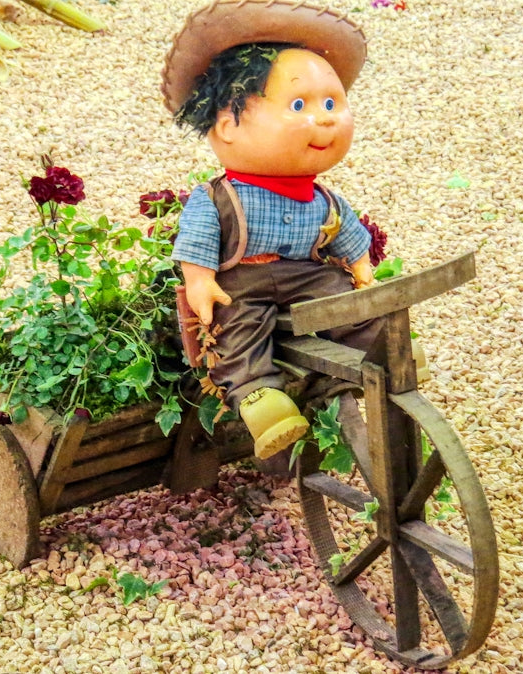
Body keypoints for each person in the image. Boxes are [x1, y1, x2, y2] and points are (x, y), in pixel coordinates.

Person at [161, 0, 381, 460]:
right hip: (242, 281)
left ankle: (375, 351)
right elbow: (197, 243)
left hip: (306, 274)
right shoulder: (219, 197)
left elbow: (346, 234)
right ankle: (260, 397)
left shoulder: (323, 198)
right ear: (227, 126)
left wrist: (361, 269)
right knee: (233, 327)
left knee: (345, 294)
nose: (323, 118)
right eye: (299, 104)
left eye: (332, 103)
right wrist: (200, 281)